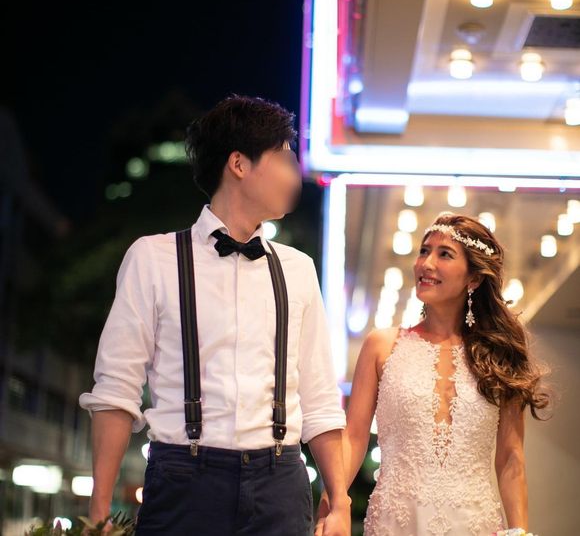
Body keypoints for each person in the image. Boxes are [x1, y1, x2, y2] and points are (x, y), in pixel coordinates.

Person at [79, 95, 351, 535]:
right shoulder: (153, 258)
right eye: (284, 158)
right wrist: (99, 512)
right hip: (183, 479)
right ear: (239, 164)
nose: (294, 173)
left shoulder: (298, 268)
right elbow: (116, 390)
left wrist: (338, 501)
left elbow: (319, 397)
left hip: (280, 482)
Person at [316, 212, 550, 536]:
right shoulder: (381, 346)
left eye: (444, 254)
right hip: (394, 523)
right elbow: (354, 439)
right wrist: (331, 508)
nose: (426, 264)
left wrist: (519, 532)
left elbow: (511, 458)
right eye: (424, 251)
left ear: (473, 279)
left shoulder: (499, 356)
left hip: (475, 525)